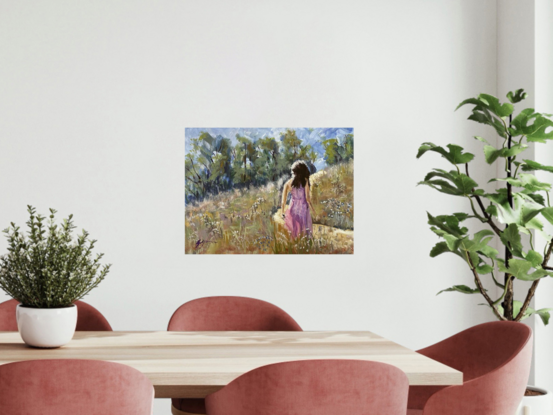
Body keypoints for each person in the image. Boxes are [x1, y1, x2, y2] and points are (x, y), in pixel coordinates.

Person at [281, 160, 317, 239]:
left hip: (292, 208)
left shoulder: (287, 183)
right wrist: (313, 210)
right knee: (304, 229)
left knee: (295, 231)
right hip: (303, 208)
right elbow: (307, 198)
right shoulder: (305, 181)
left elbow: (283, 201)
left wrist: (282, 212)